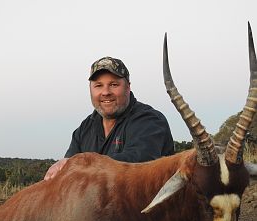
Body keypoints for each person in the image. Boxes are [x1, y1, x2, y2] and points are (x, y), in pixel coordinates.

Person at [44, 56, 174, 180]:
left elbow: (138, 164)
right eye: (98, 85)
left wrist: (81, 163)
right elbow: (68, 170)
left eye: (113, 84)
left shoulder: (149, 120)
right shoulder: (85, 128)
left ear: (128, 87)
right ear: (90, 90)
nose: (106, 92)